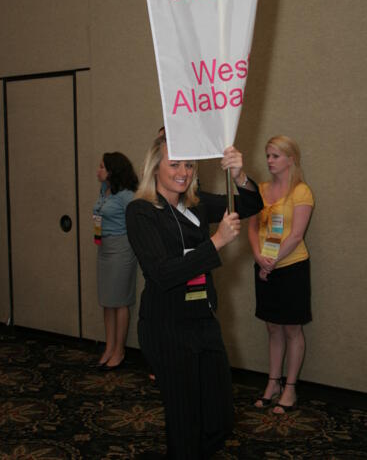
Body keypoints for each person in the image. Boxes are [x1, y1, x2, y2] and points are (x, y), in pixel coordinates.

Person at [126, 133, 263, 459]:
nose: (183, 172)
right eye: (174, 164)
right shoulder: (141, 212)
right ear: (155, 166)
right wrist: (215, 242)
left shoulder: (196, 204)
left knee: (219, 416)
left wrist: (238, 174)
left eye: (189, 164)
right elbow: (162, 274)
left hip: (202, 318)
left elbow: (250, 204)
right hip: (166, 326)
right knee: (185, 419)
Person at [247, 135, 314, 414]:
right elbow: (251, 228)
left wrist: (271, 262)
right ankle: (273, 383)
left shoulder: (301, 191)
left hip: (291, 267)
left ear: (291, 159)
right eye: (268, 156)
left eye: (275, 156)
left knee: (291, 328)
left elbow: (296, 235)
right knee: (272, 326)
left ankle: (290, 388)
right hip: (264, 265)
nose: (269, 161)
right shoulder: (260, 190)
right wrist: (258, 256)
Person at [93, 152, 138, 370]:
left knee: (119, 300)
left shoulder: (127, 195)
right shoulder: (105, 190)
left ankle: (119, 350)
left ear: (111, 171)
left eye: (101, 167)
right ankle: (109, 347)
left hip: (122, 250)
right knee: (107, 300)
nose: (97, 170)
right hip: (104, 249)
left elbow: (138, 221)